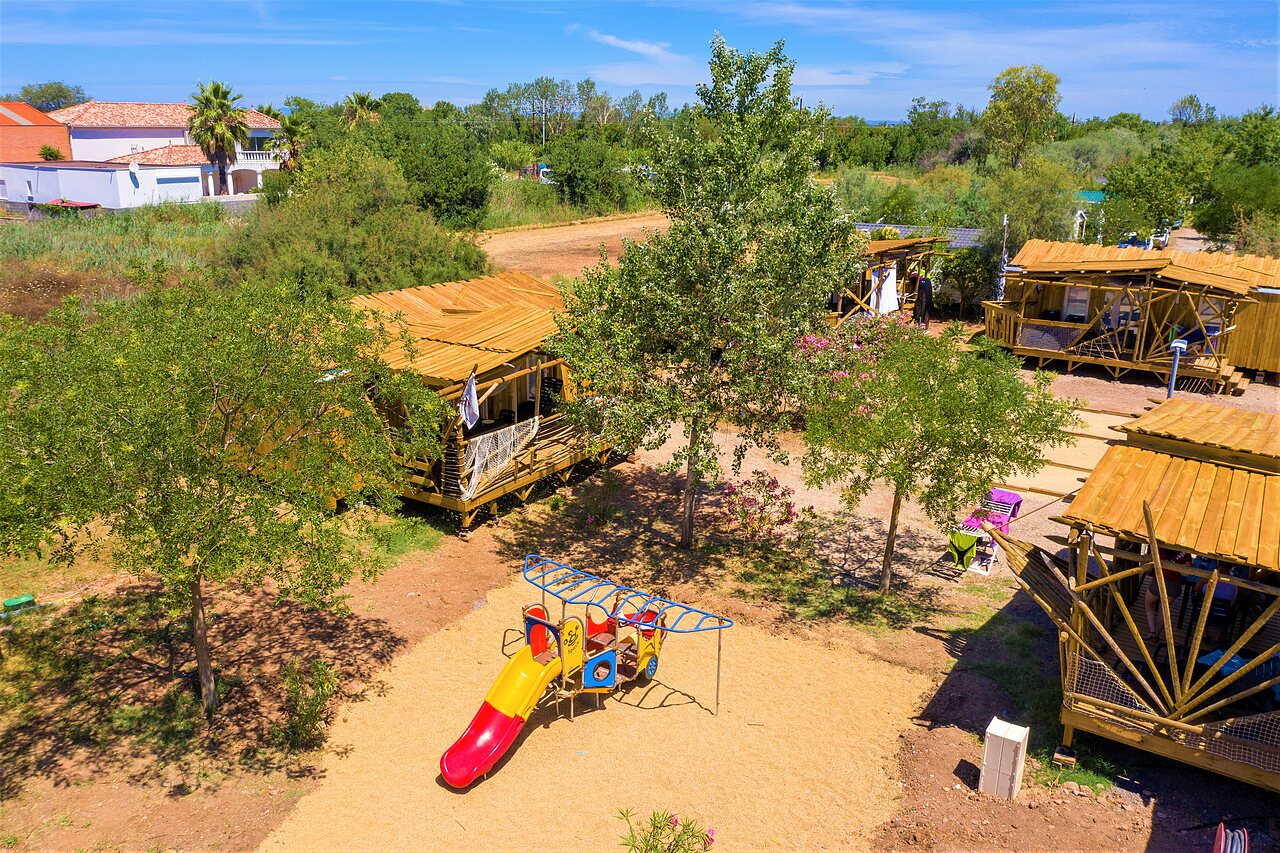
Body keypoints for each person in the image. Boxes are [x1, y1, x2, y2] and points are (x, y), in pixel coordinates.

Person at [1145, 549, 1191, 643]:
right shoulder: (1185, 551)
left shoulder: (1160, 548)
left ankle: (1152, 631)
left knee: (1149, 606)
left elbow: (1149, 559)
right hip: (1174, 585)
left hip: (1159, 581)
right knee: (1164, 610)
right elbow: (1189, 568)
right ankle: (1156, 634)